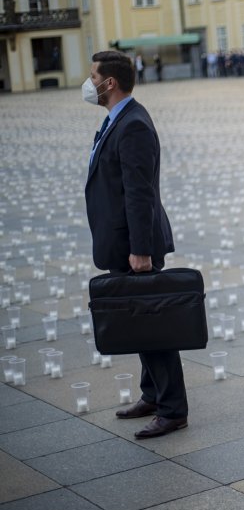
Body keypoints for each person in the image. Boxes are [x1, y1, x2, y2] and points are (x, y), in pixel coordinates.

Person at [83, 51, 188, 438]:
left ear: (109, 83)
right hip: (125, 241)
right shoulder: (119, 119)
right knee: (142, 322)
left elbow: (139, 193)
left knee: (153, 325)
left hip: (135, 245)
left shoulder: (133, 125)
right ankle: (153, 395)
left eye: (93, 76)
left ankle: (173, 408)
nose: (89, 82)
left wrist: (141, 249)